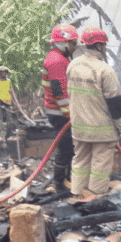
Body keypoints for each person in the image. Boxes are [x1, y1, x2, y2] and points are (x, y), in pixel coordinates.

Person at [67, 27, 121, 198]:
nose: (104, 48)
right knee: (99, 166)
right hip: (101, 130)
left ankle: (77, 194)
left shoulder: (73, 65)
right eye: (103, 45)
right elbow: (115, 103)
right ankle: (94, 198)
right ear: (98, 45)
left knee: (80, 161)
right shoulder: (105, 70)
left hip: (79, 127)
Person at [43, 23, 79, 192]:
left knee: (69, 146)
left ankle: (68, 180)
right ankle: (60, 184)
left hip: (58, 111)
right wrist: (68, 113)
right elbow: (58, 89)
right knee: (66, 147)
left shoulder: (59, 58)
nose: (75, 46)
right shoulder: (57, 61)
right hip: (59, 113)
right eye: (72, 43)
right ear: (63, 43)